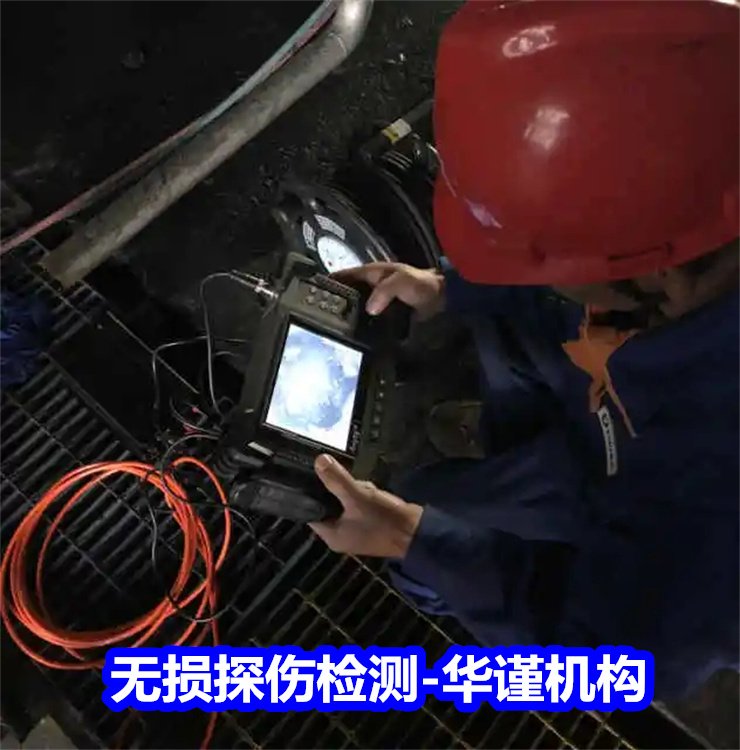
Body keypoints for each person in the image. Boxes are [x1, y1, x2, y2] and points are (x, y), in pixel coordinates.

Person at [309, 0, 739, 699]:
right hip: (616, 422)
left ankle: (438, 576)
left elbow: (609, 661)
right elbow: (582, 285)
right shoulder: (694, 210)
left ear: (659, 272)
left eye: (549, 261)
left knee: (420, 510)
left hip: (645, 501)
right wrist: (446, 291)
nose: (544, 277)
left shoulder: (716, 538)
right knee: (498, 359)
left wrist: (412, 538)